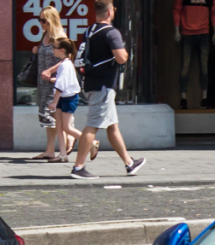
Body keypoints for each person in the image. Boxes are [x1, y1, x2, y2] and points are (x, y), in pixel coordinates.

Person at [71, 0, 145, 179]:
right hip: (103, 85)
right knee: (92, 126)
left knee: (112, 127)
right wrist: (126, 54)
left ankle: (129, 163)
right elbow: (121, 58)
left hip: (92, 83)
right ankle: (78, 167)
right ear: (110, 12)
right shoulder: (112, 32)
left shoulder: (89, 31)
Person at [32, 8, 90, 160]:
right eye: (40, 20)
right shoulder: (45, 35)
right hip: (44, 81)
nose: (41, 23)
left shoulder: (59, 36)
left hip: (55, 82)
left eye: (43, 20)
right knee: (47, 118)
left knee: (53, 116)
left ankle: (72, 139)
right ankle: (50, 149)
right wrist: (37, 50)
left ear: (52, 21)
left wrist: (50, 71)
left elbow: (67, 59)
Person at [48, 38, 84, 163]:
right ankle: (62, 154)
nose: (53, 50)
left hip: (68, 98)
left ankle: (91, 142)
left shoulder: (65, 65)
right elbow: (64, 81)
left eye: (54, 48)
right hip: (65, 97)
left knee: (67, 127)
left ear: (62, 50)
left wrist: (54, 102)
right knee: (59, 126)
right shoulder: (66, 64)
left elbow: (61, 85)